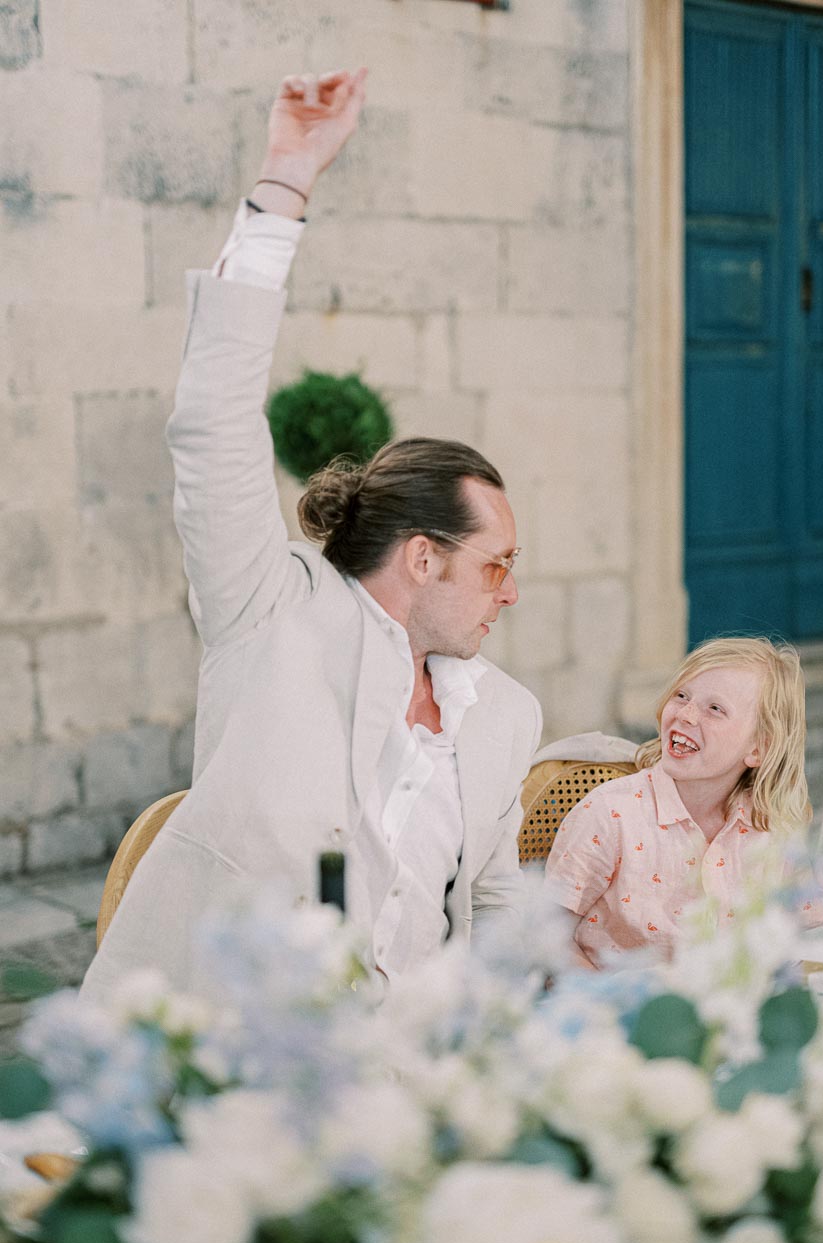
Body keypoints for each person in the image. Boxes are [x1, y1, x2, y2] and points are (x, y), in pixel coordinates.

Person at [81, 69, 541, 1001]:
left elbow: (493, 907)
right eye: (496, 567)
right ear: (423, 557)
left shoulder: (505, 715)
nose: (511, 592)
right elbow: (212, 421)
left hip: (416, 1063)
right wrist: (285, 182)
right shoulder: (268, 614)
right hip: (231, 1049)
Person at [546, 637, 812, 968]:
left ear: (758, 748)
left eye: (715, 709)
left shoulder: (772, 830)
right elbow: (547, 940)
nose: (685, 714)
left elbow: (801, 936)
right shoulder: (610, 814)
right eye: (681, 696)